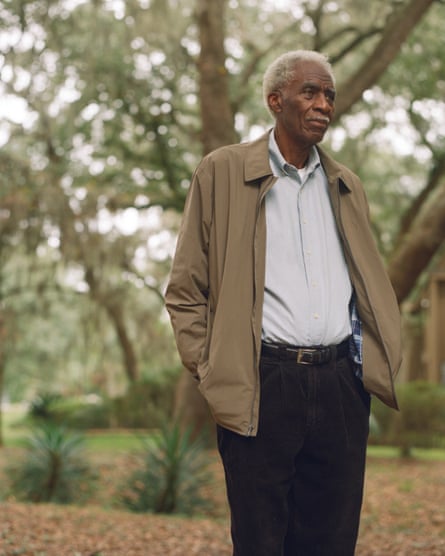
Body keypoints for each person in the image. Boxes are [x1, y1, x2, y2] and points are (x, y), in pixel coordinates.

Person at [165, 50, 402, 556]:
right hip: (261, 384)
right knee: (260, 540)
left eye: (329, 95)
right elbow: (186, 291)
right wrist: (212, 369)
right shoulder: (222, 171)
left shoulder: (345, 185)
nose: (323, 105)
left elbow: (367, 281)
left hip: (341, 385)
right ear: (275, 101)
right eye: (310, 93)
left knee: (331, 541)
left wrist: (368, 368)